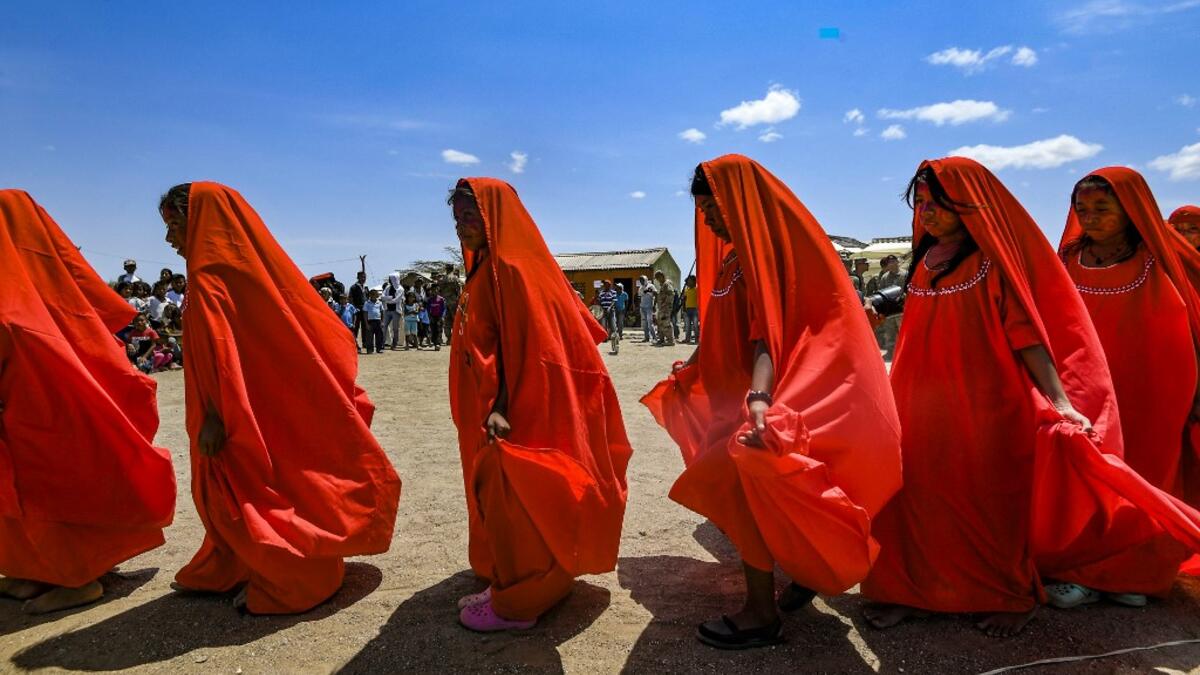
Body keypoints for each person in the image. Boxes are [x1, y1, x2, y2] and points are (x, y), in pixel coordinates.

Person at [861, 157, 1200, 638]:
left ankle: (1016, 592)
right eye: (921, 202)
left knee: (991, 503)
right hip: (922, 400)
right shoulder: (926, 259)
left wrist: (1059, 400)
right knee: (917, 495)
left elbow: (1030, 336)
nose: (927, 212)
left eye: (940, 203)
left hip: (997, 402)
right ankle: (913, 590)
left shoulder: (993, 265)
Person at [642, 156, 901, 649]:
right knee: (755, 501)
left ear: (743, 201)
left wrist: (759, 397)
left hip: (757, 401)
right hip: (733, 400)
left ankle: (761, 613)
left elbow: (770, 338)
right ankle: (802, 570)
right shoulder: (735, 256)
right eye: (702, 207)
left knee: (747, 498)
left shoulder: (768, 257)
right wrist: (694, 364)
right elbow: (724, 326)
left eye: (714, 205)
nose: (709, 217)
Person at [158, 182, 400, 614]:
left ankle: (298, 577)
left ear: (197, 222)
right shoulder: (227, 269)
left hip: (233, 412)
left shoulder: (212, 275)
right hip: (235, 405)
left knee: (249, 492)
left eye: (174, 225)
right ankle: (235, 565)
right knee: (230, 492)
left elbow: (225, 355)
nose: (169, 238)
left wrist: (216, 416)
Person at [446, 177, 632, 632]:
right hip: (492, 406)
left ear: (493, 217)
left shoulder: (512, 268)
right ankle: (514, 580)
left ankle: (521, 601)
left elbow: (522, 343)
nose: (461, 226)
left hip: (513, 411)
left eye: (470, 215)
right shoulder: (489, 265)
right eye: (457, 218)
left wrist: (501, 405)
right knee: (498, 496)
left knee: (517, 499)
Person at [0, 189, 175, 614]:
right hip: (54, 407)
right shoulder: (53, 285)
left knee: (47, 484)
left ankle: (77, 578)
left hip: (36, 409)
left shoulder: (16, 296)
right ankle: (45, 570)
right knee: (60, 479)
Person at [1049, 169, 1200, 607]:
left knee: (1146, 475)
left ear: (1131, 210)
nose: (1090, 218)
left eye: (1102, 209)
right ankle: (1080, 569)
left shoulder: (1165, 257)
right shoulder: (1067, 259)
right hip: (1084, 389)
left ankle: (1133, 572)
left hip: (1154, 387)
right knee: (1088, 476)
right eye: (1082, 209)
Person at [866, 255, 905, 359]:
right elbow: (881, 290)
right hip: (888, 310)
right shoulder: (884, 277)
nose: (891, 263)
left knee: (903, 332)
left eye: (893, 261)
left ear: (897, 262)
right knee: (889, 333)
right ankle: (891, 353)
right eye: (889, 262)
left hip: (901, 309)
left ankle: (905, 353)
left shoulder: (905, 274)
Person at [440, 263, 463, 345]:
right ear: (453, 268)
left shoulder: (443, 279)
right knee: (456, 320)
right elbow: (460, 291)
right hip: (454, 302)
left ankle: (448, 339)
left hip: (445, 302)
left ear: (446, 269)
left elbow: (440, 291)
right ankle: (455, 338)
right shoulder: (455, 278)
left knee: (447, 321)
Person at [383, 273, 405, 351]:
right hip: (387, 310)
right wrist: (389, 298)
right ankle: (382, 343)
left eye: (391, 279)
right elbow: (382, 296)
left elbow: (396, 300)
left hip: (396, 311)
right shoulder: (387, 287)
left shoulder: (401, 289)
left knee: (395, 329)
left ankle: (394, 343)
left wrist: (387, 299)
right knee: (384, 326)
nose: (389, 280)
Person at [653, 270, 675, 346]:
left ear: (662, 276)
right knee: (660, 324)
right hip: (661, 308)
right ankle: (661, 339)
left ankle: (670, 340)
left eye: (658, 278)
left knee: (666, 323)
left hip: (665, 308)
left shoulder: (667, 284)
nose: (657, 280)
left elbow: (670, 295)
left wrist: (665, 305)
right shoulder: (663, 285)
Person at [349, 271, 368, 354]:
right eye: (361, 277)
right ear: (358, 277)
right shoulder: (353, 287)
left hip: (364, 310)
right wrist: (354, 308)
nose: (363, 278)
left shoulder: (366, 287)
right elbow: (351, 298)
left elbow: (367, 298)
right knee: (355, 327)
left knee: (365, 326)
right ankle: (353, 343)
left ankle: (365, 342)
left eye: (364, 277)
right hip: (356, 310)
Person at [363, 288, 385, 354]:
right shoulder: (367, 303)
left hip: (378, 321)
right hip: (370, 321)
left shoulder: (380, 303)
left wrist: (382, 321)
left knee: (379, 336)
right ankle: (369, 349)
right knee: (369, 336)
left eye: (375, 295)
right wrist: (366, 323)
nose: (373, 296)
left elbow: (382, 312)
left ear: (377, 295)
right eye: (372, 295)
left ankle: (379, 348)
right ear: (370, 295)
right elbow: (365, 313)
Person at [682, 274, 699, 344]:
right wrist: (684, 308)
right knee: (687, 326)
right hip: (687, 309)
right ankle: (687, 339)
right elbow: (684, 300)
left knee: (695, 325)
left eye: (690, 281)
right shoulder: (686, 290)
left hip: (695, 309)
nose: (688, 283)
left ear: (694, 281)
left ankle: (697, 340)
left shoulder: (697, 289)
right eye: (688, 282)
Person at [639, 275, 656, 343]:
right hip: (642, 307)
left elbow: (655, 294)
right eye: (640, 280)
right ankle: (646, 337)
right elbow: (640, 296)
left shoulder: (651, 286)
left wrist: (654, 305)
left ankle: (654, 338)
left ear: (646, 279)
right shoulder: (640, 288)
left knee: (650, 323)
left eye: (642, 280)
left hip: (649, 307)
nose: (641, 281)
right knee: (644, 323)